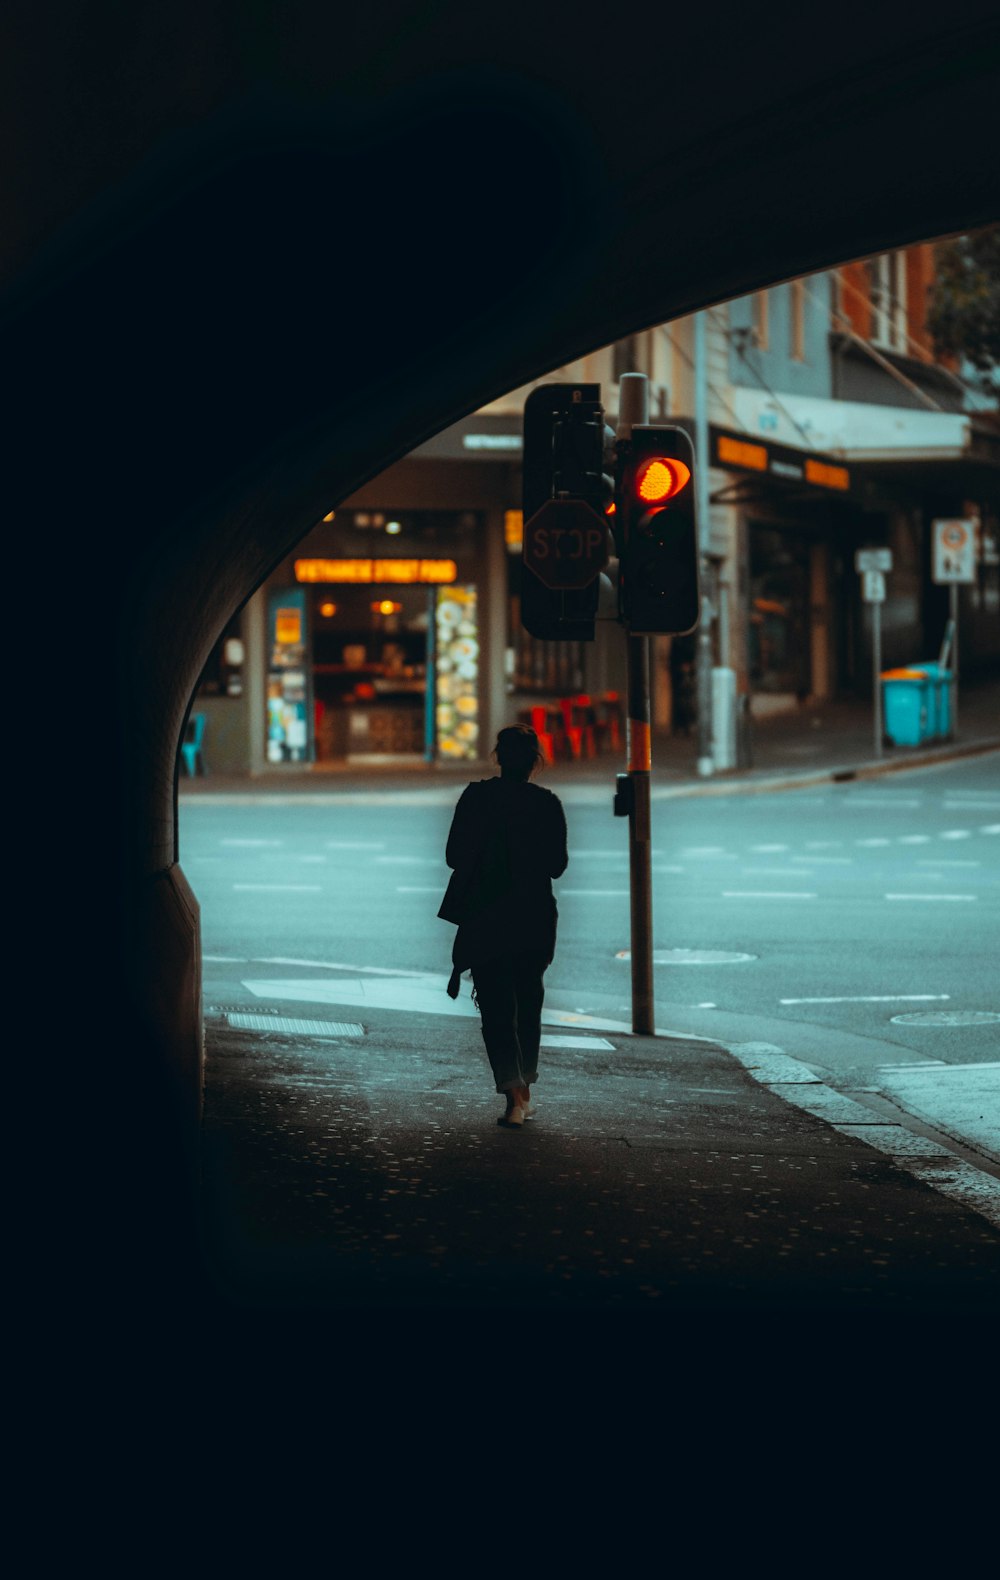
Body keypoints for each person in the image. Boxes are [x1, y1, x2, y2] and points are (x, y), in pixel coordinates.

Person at [440, 724, 568, 1129]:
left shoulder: (475, 797)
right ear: (535, 762)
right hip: (532, 916)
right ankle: (523, 1089)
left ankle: (514, 1094)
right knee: (528, 1004)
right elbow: (557, 866)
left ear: (498, 757)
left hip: (486, 915)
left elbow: (453, 855)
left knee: (496, 1008)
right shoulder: (547, 804)